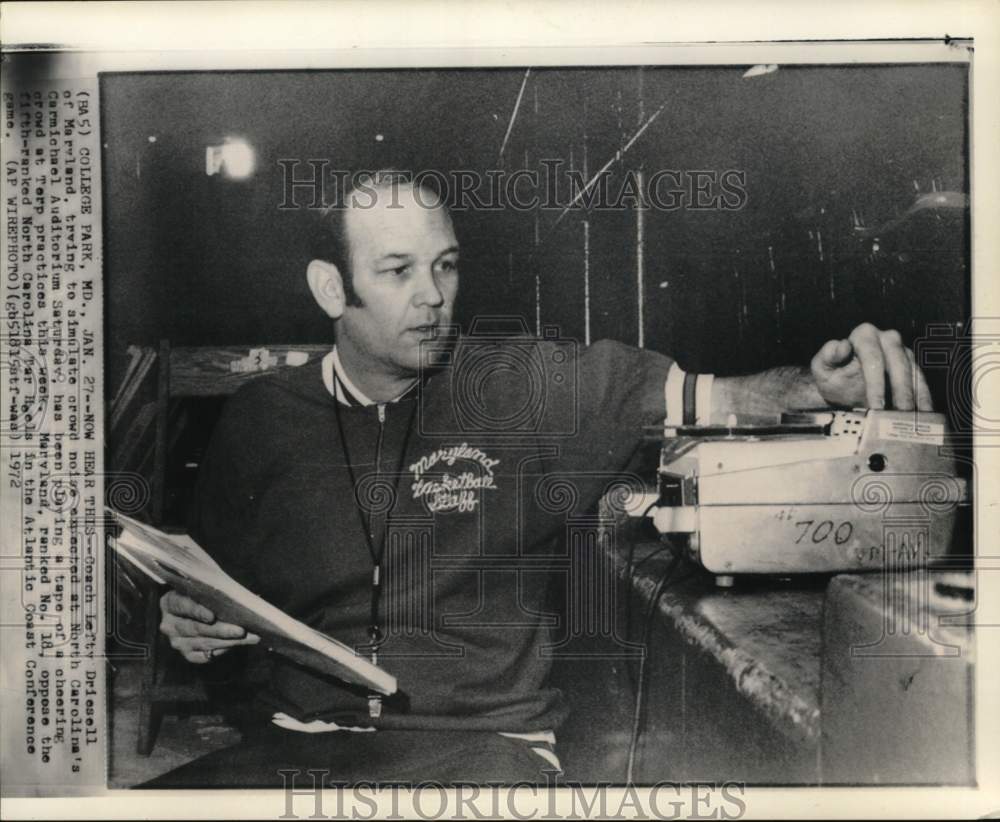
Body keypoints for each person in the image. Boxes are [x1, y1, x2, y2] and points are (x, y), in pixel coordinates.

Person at [151, 173, 932, 787]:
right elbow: (208, 594)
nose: (433, 295)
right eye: (397, 271)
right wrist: (190, 626)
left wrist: (815, 386)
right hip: (299, 745)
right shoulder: (260, 419)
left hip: (481, 751)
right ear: (331, 288)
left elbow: (714, 397)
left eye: (445, 266)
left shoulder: (519, 386)